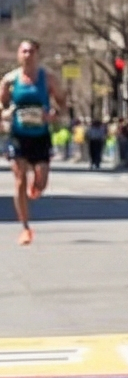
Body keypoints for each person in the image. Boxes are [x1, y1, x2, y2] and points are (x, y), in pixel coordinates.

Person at [3, 39, 66, 245]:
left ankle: (36, 185)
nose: (27, 55)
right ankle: (25, 228)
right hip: (18, 135)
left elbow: (62, 102)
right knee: (19, 179)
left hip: (40, 135)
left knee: (41, 182)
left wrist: (54, 114)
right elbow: (1, 103)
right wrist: (4, 115)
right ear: (19, 55)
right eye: (24, 51)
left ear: (37, 54)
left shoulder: (48, 78)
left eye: (31, 51)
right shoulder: (10, 80)